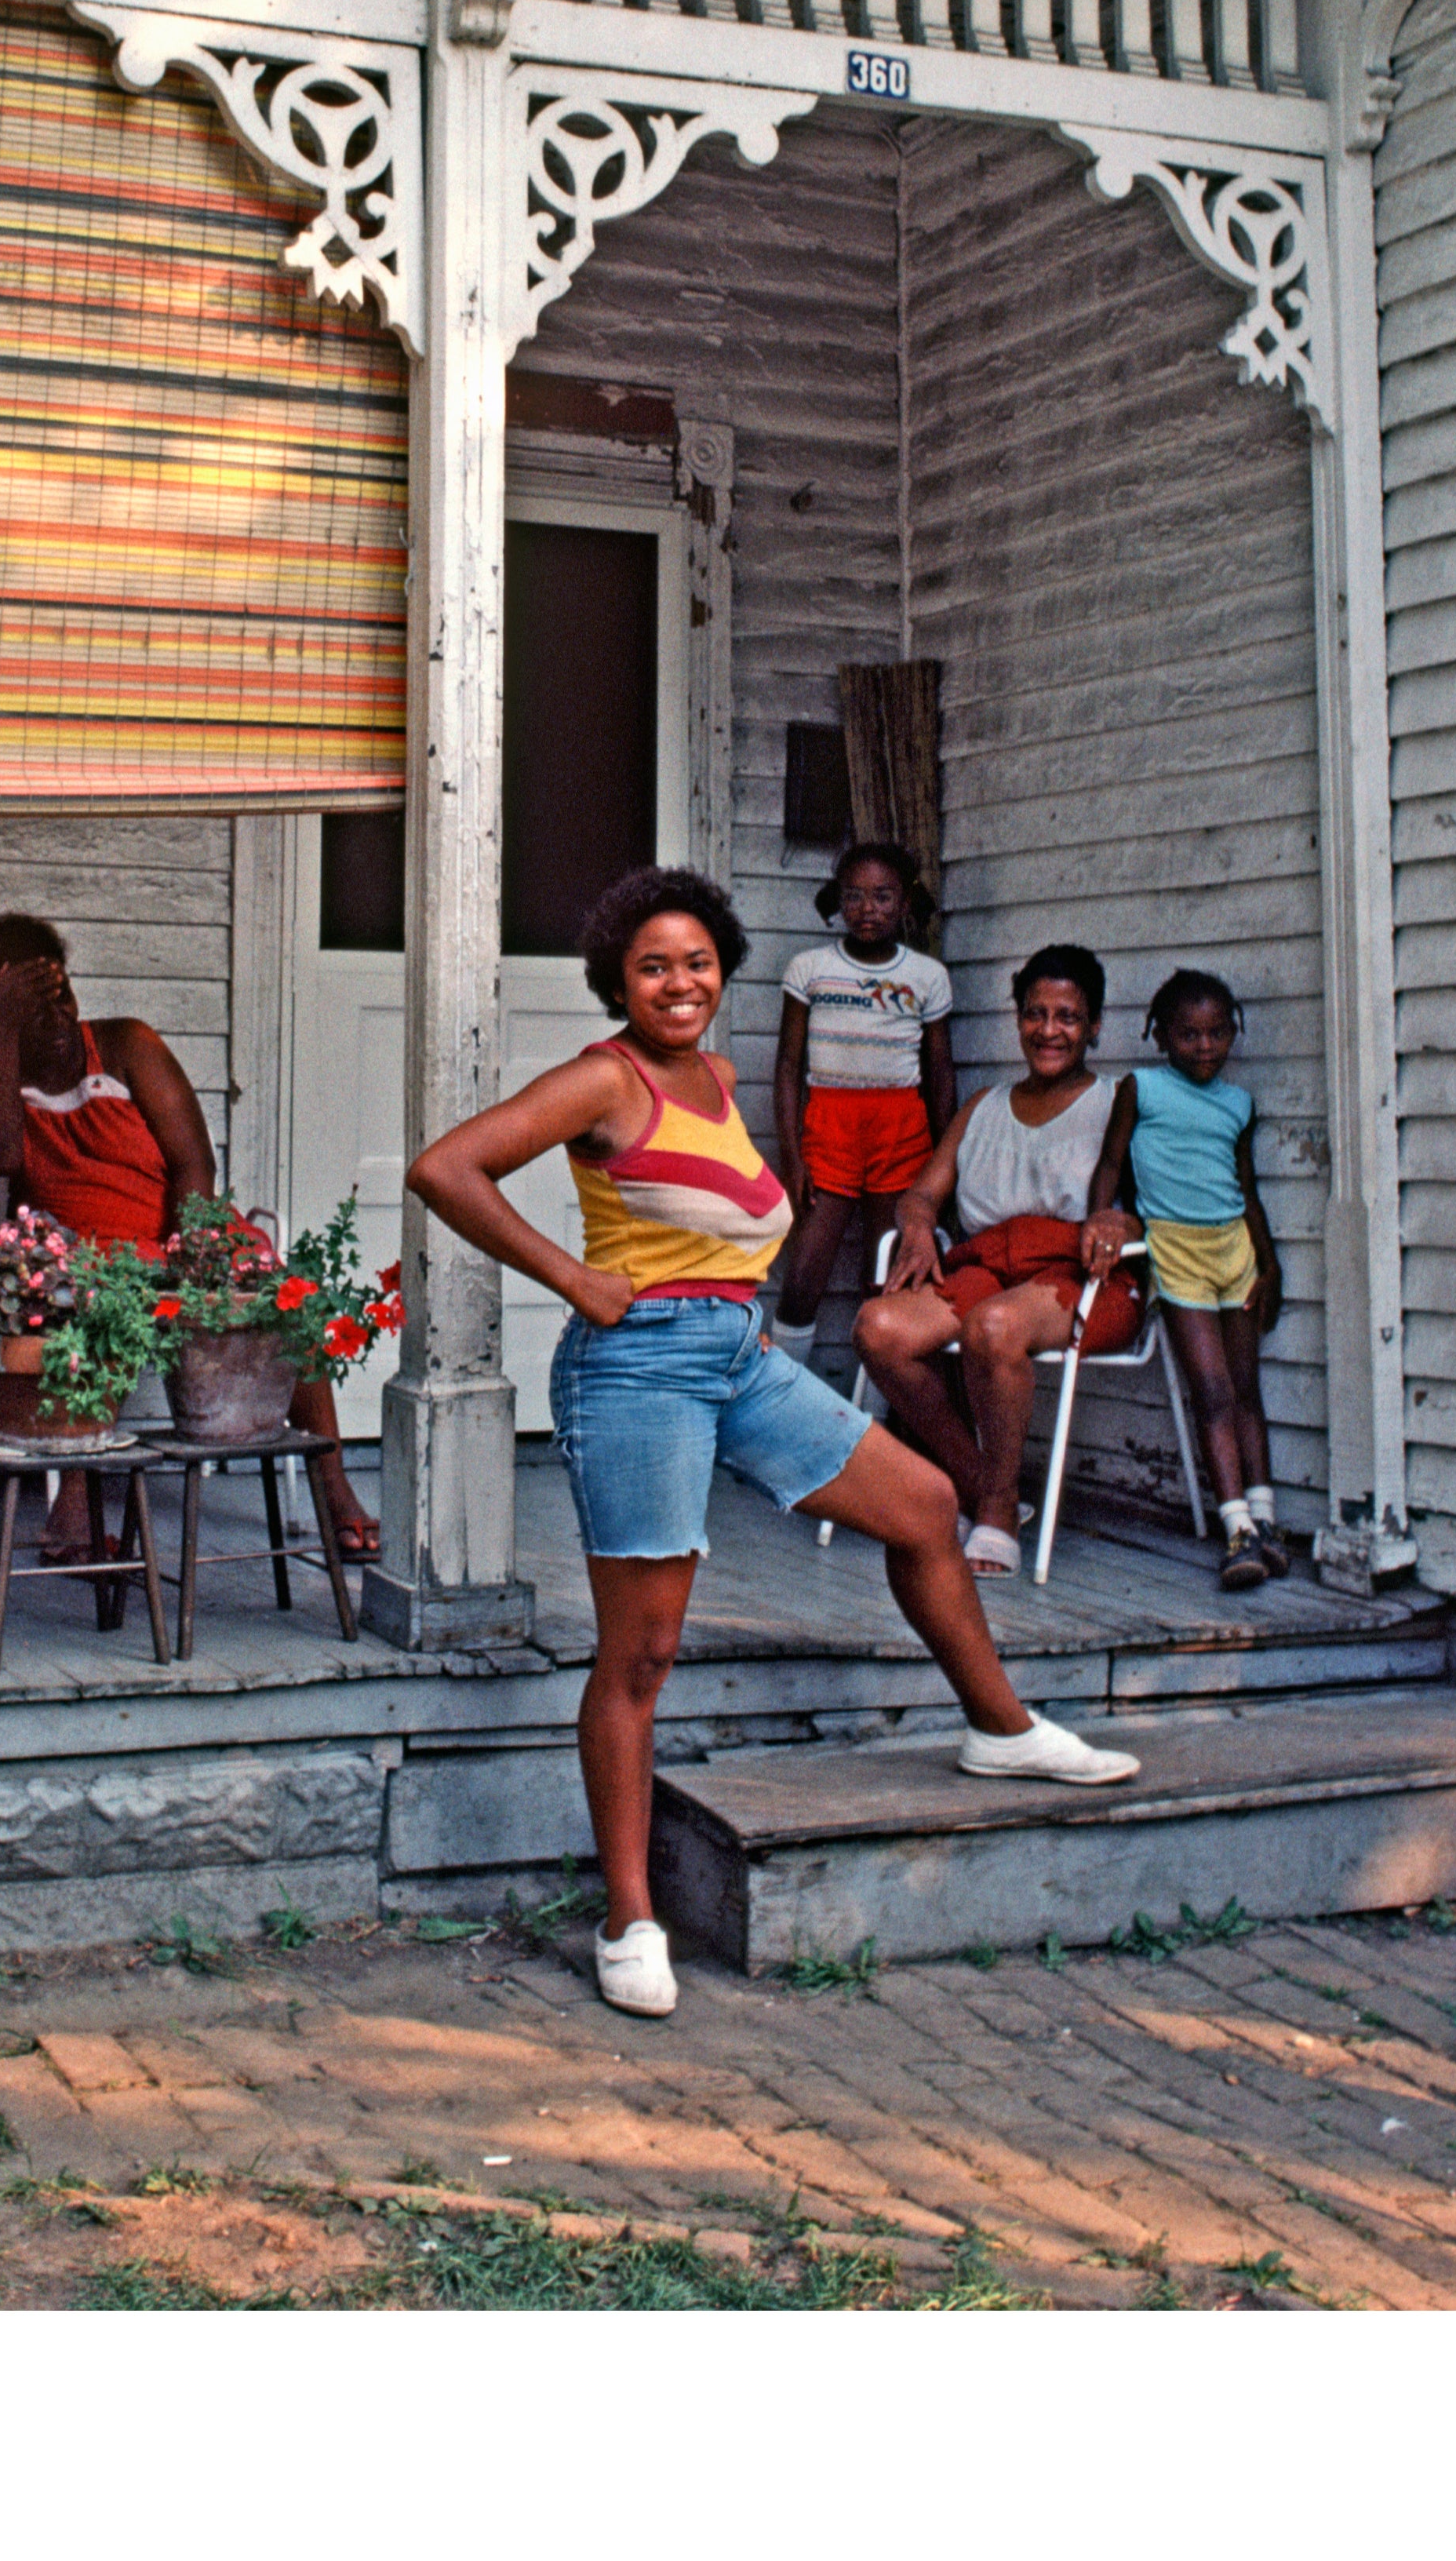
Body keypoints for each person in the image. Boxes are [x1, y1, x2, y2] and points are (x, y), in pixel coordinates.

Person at [406, 866, 1134, 2020]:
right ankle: (628, 1917)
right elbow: (446, 1167)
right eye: (653, 966)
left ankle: (1002, 1730)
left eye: (696, 962)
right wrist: (572, 1279)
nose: (679, 982)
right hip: (639, 1369)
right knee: (641, 1656)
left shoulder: (718, 1074)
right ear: (619, 981)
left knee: (926, 1508)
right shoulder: (604, 1078)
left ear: (722, 969)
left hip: (738, 1356)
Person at [0, 911, 375, 1555]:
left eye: (64, 998)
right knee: (94, 1303)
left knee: (287, 1300)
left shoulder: (127, 1045)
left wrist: (189, 1250)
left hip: (180, 1229)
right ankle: (75, 1510)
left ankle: (333, 1485)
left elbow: (195, 1161)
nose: (60, 1021)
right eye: (36, 1012)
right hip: (81, 1250)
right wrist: (3, 1033)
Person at [853, 943, 1140, 1576]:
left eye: (1067, 1016)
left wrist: (1121, 1219)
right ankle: (984, 1484)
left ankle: (999, 1509)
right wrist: (921, 1227)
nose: (1049, 1030)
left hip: (1081, 1276)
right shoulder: (983, 1104)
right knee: (879, 1329)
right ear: (1018, 1021)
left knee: (996, 1327)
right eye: (1035, 1013)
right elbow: (923, 1192)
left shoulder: (1119, 1097)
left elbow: (1154, 1197)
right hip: (985, 1266)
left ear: (1094, 1025)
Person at [766, 839, 954, 1365]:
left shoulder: (927, 977)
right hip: (830, 1125)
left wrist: (944, 1165)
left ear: (905, 902)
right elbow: (787, 1066)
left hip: (901, 1128)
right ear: (837, 900)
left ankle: (878, 1417)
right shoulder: (810, 969)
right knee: (805, 1274)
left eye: (883, 897)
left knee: (887, 1277)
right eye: (853, 896)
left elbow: (940, 1072)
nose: (868, 910)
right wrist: (792, 1156)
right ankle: (782, 1402)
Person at [1132, 969, 1287, 1590]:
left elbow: (1246, 1190)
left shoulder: (1239, 1105)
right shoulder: (1140, 1090)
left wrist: (1269, 1264)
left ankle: (1266, 1518)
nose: (1204, 1047)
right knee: (1214, 1391)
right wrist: (1105, 1226)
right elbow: (1113, 1166)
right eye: (1189, 1034)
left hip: (1235, 1251)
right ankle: (1237, 1530)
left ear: (1233, 1033)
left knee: (1247, 1389)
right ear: (1161, 1036)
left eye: (1217, 1033)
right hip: (1176, 1251)